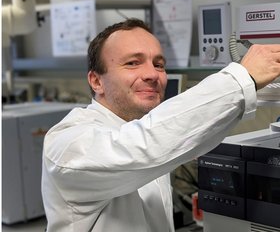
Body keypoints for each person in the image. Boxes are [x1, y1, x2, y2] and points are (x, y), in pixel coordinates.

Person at [41, 18, 280, 232]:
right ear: (96, 81)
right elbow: (142, 147)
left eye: (159, 64)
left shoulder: (146, 128)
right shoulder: (68, 143)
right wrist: (242, 78)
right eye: (133, 63)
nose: (152, 75)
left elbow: (178, 137)